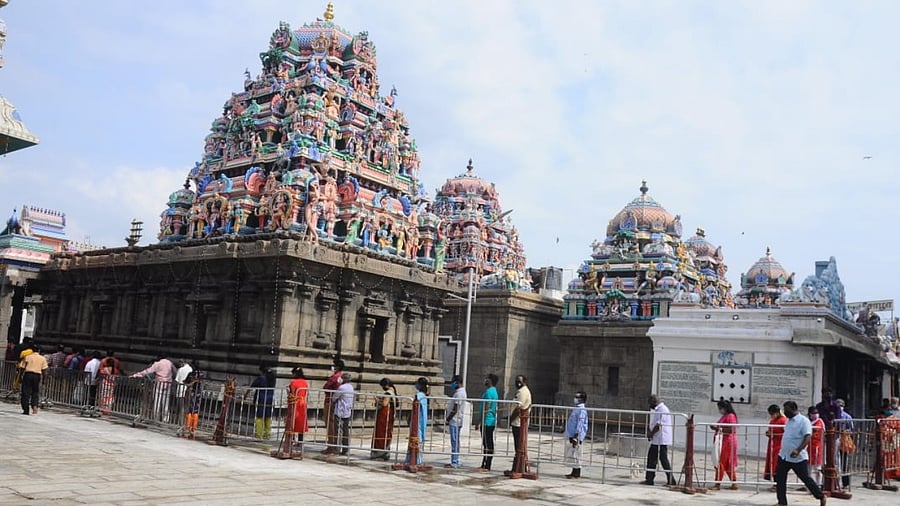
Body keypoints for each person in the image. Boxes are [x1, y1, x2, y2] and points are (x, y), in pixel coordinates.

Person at [775, 400, 827, 506]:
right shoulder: (788, 421)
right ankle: (782, 502)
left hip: (797, 457)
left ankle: (821, 496)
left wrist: (798, 450)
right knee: (780, 479)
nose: (785, 412)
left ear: (793, 409)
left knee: (805, 478)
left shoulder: (803, 421)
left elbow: (807, 436)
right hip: (784, 456)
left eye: (787, 410)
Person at [642, 394, 675, 486]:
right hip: (657, 439)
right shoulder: (658, 410)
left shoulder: (663, 410)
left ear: (654, 402)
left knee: (663, 459)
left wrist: (651, 433)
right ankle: (649, 479)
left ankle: (671, 480)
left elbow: (658, 425)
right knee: (652, 459)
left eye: (650, 403)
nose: (650, 406)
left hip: (661, 439)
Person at [131, 355, 175, 423]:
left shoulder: (157, 364)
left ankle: (156, 419)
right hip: (168, 385)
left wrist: (136, 375)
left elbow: (147, 371)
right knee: (165, 404)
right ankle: (165, 419)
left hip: (158, 385)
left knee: (157, 403)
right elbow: (175, 371)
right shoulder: (170, 363)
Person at [505, 374, 533, 476]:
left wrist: (510, 419)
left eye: (519, 381)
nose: (517, 383)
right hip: (518, 423)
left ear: (524, 381)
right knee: (518, 447)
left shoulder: (523, 392)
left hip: (519, 423)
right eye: (516, 381)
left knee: (519, 447)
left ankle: (518, 469)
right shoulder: (520, 391)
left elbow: (518, 408)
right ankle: (519, 467)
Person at [711, 399, 739, 490]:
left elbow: (731, 429)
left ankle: (717, 483)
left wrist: (718, 428)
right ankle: (734, 483)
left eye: (720, 408)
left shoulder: (731, 416)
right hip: (722, 441)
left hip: (727, 442)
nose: (720, 410)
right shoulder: (724, 416)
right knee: (726, 463)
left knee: (720, 462)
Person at [474, 373, 499, 471]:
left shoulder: (489, 392)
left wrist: (479, 421)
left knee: (487, 443)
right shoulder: (494, 391)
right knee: (487, 443)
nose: (485, 380)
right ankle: (484, 464)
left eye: (487, 379)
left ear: (490, 381)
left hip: (487, 421)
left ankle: (487, 465)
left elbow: (487, 407)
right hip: (490, 420)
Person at [321, 358, 344, 455]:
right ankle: (335, 446)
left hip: (330, 401)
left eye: (334, 366)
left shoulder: (335, 377)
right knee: (336, 425)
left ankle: (331, 447)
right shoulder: (342, 377)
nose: (333, 367)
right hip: (339, 402)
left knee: (330, 424)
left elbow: (326, 387)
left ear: (337, 367)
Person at [371, 377, 397, 461]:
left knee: (381, 433)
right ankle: (385, 452)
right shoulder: (393, 392)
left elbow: (385, 403)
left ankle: (379, 453)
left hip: (385, 415)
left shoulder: (388, 393)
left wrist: (377, 400)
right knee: (386, 433)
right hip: (388, 415)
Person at [444, 374, 467, 469]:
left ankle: (454, 461)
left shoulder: (459, 393)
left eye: (453, 382)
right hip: (456, 420)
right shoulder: (459, 392)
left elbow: (455, 408)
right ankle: (455, 460)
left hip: (455, 421)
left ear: (457, 382)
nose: (452, 384)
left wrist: (448, 418)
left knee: (454, 441)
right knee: (455, 441)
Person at [405, 376, 429, 465]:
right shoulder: (425, 396)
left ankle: (414, 458)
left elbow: (415, 408)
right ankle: (418, 458)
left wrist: (410, 418)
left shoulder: (419, 396)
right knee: (420, 438)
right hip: (422, 420)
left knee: (416, 438)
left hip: (417, 420)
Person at [18, 344, 48, 415]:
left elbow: (22, 368)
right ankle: (35, 406)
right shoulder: (42, 358)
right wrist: (44, 380)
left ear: (32, 350)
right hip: (37, 376)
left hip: (28, 375)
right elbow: (44, 371)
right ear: (39, 350)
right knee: (35, 391)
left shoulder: (27, 357)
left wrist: (20, 377)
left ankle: (26, 409)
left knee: (25, 392)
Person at [565, 391, 588, 479]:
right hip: (572, 434)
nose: (575, 399)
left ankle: (577, 473)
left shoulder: (582, 410)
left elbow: (580, 423)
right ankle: (573, 472)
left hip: (576, 435)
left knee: (577, 454)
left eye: (577, 397)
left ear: (582, 399)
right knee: (573, 454)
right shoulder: (576, 408)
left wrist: (576, 435)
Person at [249, 365, 276, 440]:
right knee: (268, 417)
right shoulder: (272, 379)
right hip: (270, 399)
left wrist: (245, 396)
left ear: (262, 371)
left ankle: (259, 434)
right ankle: (267, 435)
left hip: (261, 399)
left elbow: (251, 387)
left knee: (259, 417)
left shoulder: (261, 378)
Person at [764, 404, 788, 489]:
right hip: (772, 445)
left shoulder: (783, 421)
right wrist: (768, 433)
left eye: (772, 414)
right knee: (772, 464)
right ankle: (775, 483)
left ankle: (779, 484)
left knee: (777, 464)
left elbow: (786, 433)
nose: (771, 416)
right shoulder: (772, 421)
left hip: (779, 445)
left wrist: (775, 434)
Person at [286, 367, 309, 449]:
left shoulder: (293, 382)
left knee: (291, 421)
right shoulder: (305, 382)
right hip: (302, 403)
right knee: (301, 422)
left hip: (295, 403)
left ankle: (291, 440)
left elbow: (292, 393)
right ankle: (300, 441)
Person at [332, 372, 355, 456]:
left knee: (338, 430)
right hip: (347, 411)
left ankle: (336, 448)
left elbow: (334, 398)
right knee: (345, 430)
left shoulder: (342, 387)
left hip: (340, 411)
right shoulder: (351, 387)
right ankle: (345, 449)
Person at [835, 399, 854, 488]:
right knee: (834, 461)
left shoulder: (847, 416)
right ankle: (835, 481)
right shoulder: (833, 415)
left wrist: (845, 431)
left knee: (844, 461)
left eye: (841, 405)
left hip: (843, 440)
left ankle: (845, 482)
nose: (840, 407)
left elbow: (851, 429)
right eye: (838, 406)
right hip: (834, 439)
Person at [807, 406, 825, 484]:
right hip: (809, 448)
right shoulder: (808, 422)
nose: (815, 414)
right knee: (808, 468)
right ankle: (809, 484)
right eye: (813, 413)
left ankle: (818, 484)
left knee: (818, 468)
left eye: (816, 413)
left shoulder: (819, 422)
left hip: (817, 447)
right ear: (809, 414)